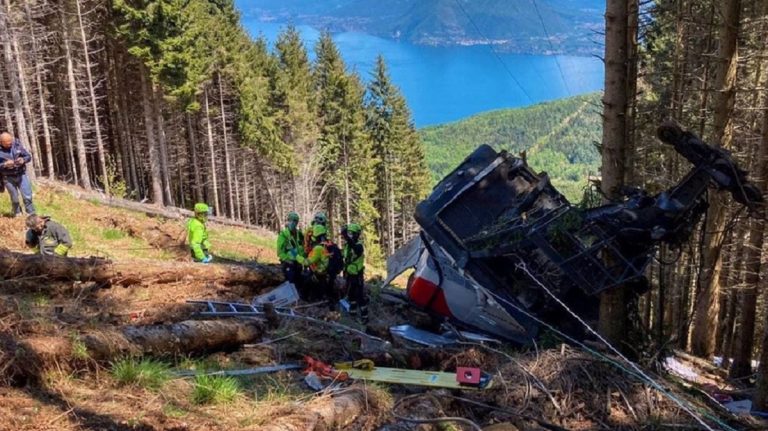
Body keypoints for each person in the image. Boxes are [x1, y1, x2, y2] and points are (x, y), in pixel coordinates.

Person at [305, 224, 343, 308]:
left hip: (321, 275)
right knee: (329, 291)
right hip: (331, 275)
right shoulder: (331, 245)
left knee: (310, 284)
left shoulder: (319, 247)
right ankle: (329, 303)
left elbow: (308, 262)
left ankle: (319, 304)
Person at [0, 132, 35, 217]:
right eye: (7, 144)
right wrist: (4, 165)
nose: (10, 144)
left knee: (27, 196)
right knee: (14, 198)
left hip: (21, 174)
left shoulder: (17, 144)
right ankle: (17, 215)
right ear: (1, 142)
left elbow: (28, 156)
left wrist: (23, 160)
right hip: (7, 177)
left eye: (10, 142)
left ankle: (31, 215)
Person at [341, 223, 368, 323]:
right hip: (349, 274)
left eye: (352, 233)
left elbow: (357, 251)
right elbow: (346, 257)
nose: (350, 235)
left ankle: (365, 317)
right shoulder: (347, 246)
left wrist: (347, 237)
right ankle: (352, 313)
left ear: (357, 234)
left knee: (359, 296)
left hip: (357, 275)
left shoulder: (358, 245)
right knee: (351, 294)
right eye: (349, 233)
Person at [276, 211, 305, 286]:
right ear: (288, 221)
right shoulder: (284, 235)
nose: (292, 222)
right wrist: (287, 260)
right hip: (289, 264)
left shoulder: (300, 234)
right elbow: (280, 252)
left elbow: (303, 248)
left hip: (299, 264)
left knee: (300, 283)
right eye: (291, 220)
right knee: (291, 283)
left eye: (295, 221)